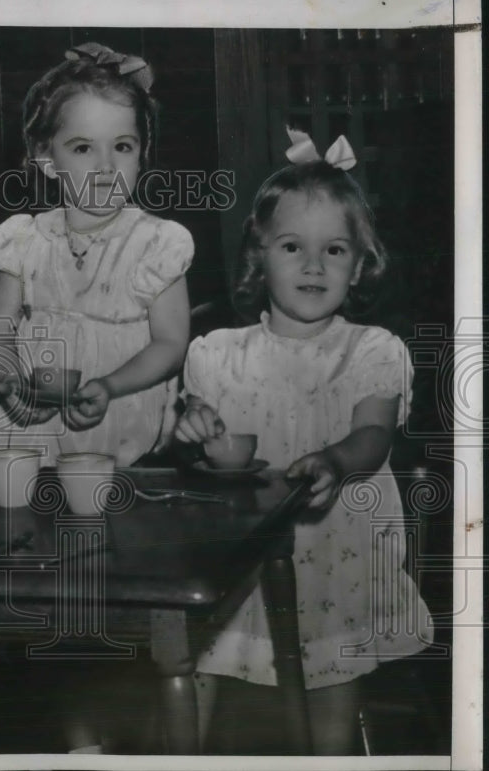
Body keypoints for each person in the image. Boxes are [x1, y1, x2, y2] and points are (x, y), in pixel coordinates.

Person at [174, 129, 433, 754]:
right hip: (240, 567)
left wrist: (336, 460)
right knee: (194, 659)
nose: (314, 265)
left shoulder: (372, 351)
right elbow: (198, 451)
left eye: (334, 249)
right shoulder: (216, 355)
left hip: (337, 557)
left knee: (329, 686)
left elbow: (372, 435)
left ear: (360, 263)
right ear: (258, 257)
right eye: (293, 246)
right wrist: (193, 434)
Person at [0, 42, 192, 471]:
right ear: (47, 159)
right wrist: (10, 382)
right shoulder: (25, 242)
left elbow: (171, 343)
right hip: (33, 426)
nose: (106, 167)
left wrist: (110, 386)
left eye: (123, 147)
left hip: (118, 417)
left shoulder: (155, 244)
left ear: (141, 154)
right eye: (83, 148)